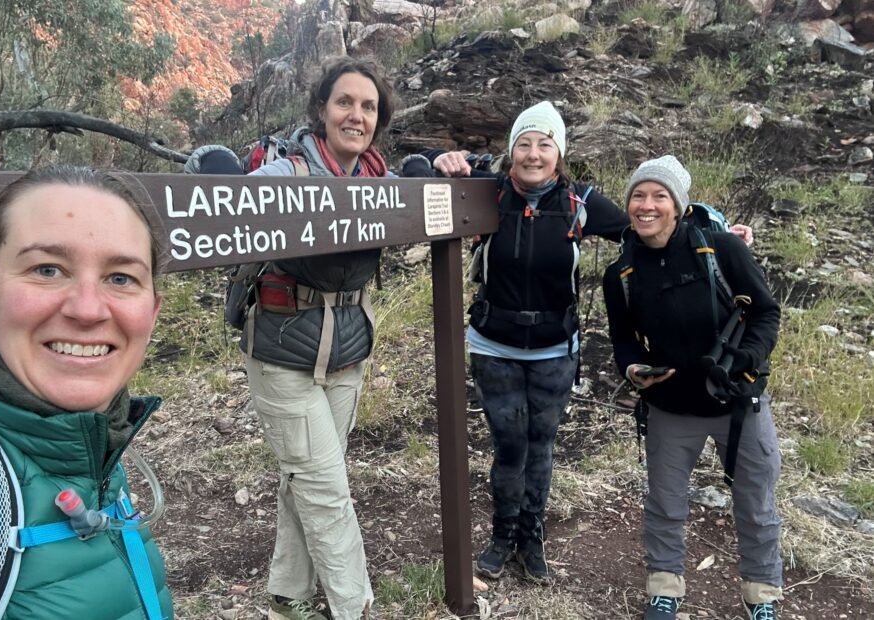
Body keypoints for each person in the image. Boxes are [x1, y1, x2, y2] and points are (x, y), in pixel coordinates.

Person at [184, 55, 396, 620]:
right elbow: (219, 215)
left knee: (308, 476)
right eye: (344, 102)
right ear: (322, 110)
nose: (356, 115)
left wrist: (452, 166)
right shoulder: (286, 174)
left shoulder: (381, 181)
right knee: (325, 486)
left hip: (347, 353)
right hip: (282, 351)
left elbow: (437, 199)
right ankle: (356, 607)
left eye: (368, 106)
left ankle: (287, 592)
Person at [402, 101, 632, 585]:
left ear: (559, 153)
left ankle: (532, 538)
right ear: (510, 153)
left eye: (544, 144)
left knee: (541, 446)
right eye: (523, 144)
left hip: (554, 350)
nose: (533, 154)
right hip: (494, 347)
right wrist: (436, 160)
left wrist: (714, 226)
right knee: (509, 448)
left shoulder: (581, 202)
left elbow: (647, 223)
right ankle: (501, 536)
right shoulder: (487, 190)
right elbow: (414, 168)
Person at [0, 166, 171, 618]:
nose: (87, 309)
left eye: (121, 277)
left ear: (152, 311)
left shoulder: (88, 442)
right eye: (47, 269)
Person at [602, 156, 782, 620]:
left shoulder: (723, 250)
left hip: (738, 402)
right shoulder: (620, 273)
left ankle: (761, 595)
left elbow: (765, 312)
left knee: (755, 503)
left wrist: (746, 361)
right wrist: (633, 371)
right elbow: (623, 340)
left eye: (659, 196)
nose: (646, 205)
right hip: (670, 406)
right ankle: (664, 588)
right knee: (664, 503)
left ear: (679, 205)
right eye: (638, 196)